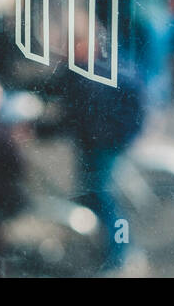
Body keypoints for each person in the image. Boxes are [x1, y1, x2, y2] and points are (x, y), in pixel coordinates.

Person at [56, 18, 146, 273]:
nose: (65, 49)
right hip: (100, 137)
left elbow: (73, 118)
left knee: (102, 194)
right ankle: (96, 243)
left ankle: (121, 255)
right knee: (90, 190)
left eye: (71, 44)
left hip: (106, 141)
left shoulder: (91, 77)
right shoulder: (86, 67)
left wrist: (39, 129)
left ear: (86, 44)